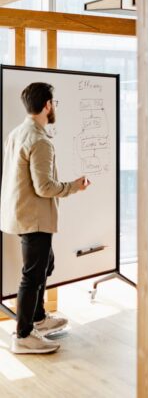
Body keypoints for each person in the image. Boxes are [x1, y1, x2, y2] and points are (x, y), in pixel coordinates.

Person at [0, 83, 90, 354]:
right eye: (55, 103)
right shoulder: (39, 140)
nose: (55, 108)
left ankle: (39, 318)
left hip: (20, 212)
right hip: (34, 216)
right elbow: (44, 188)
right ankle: (24, 334)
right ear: (47, 105)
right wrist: (75, 186)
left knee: (45, 265)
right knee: (33, 274)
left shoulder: (18, 132)